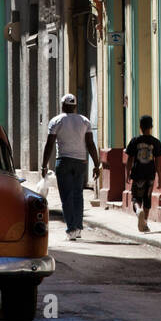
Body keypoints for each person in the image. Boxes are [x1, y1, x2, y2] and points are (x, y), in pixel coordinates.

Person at [41, 94, 101, 240]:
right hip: (80, 162)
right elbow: (90, 144)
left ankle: (71, 229)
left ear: (62, 105)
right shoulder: (84, 121)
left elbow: (49, 144)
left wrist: (44, 164)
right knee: (78, 196)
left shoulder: (56, 121)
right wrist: (96, 164)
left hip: (63, 161)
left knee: (66, 197)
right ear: (74, 106)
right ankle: (78, 228)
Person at [125, 115, 161, 233]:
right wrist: (160, 178)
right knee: (147, 198)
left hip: (137, 174)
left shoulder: (134, 141)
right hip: (150, 175)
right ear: (151, 127)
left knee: (136, 199)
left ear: (140, 127)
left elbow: (129, 160)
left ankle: (138, 211)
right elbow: (158, 163)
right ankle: (145, 223)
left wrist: (127, 173)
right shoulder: (156, 142)